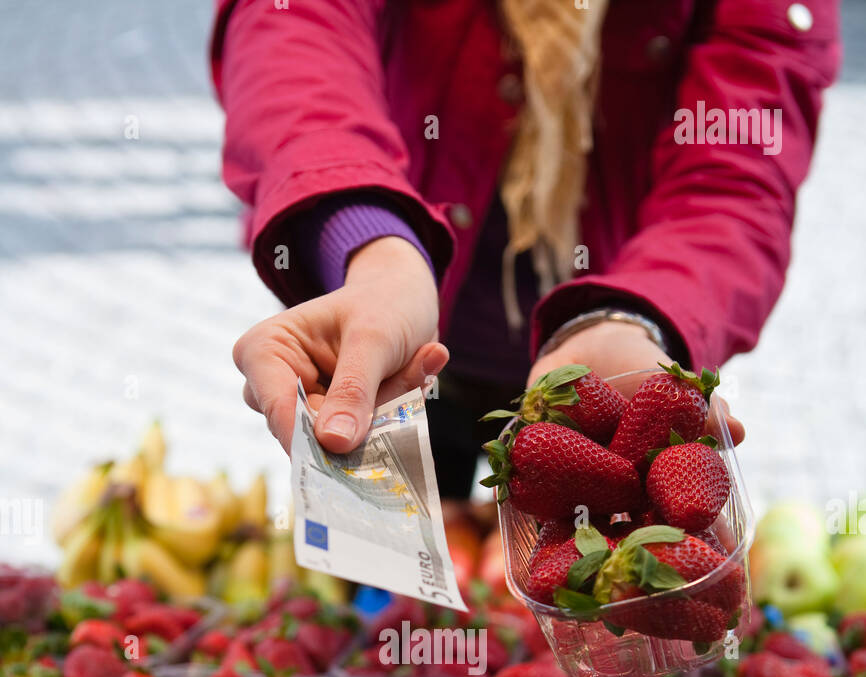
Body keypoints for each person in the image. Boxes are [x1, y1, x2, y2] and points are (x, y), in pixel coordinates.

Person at [211, 0, 840, 496]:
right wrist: (372, 246)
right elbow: (294, 29)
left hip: (603, 376)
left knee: (565, 614)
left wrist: (634, 317)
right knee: (390, 607)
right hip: (396, 354)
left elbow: (734, 169)